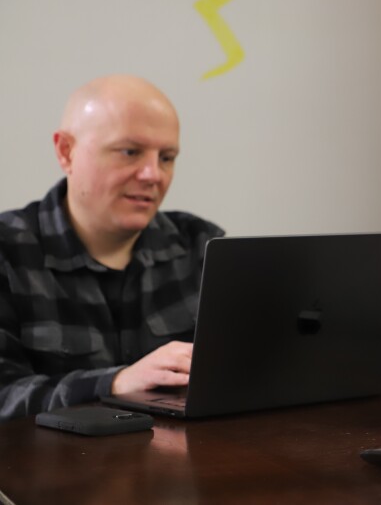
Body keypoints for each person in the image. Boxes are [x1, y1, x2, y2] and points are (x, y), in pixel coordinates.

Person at [0, 75, 224, 420]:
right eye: (130, 152)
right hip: (50, 471)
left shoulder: (202, 245)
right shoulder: (8, 252)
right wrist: (116, 382)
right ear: (66, 151)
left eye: (167, 157)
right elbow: (5, 398)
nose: (153, 175)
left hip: (182, 467)